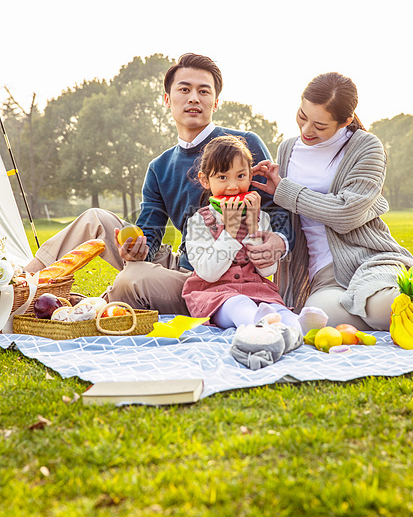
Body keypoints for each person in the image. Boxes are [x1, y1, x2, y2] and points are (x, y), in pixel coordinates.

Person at [25, 53, 294, 315]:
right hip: (184, 262)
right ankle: (21, 285)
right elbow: (150, 229)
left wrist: (278, 242)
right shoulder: (160, 166)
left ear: (216, 102)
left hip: (214, 278)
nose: (193, 98)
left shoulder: (244, 146)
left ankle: (90, 306)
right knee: (95, 218)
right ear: (167, 99)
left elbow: (279, 210)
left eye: (203, 91)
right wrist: (136, 248)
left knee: (132, 280)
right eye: (184, 89)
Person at [252, 71, 413, 331]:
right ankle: (378, 316)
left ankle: (379, 308)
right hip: (323, 275)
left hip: (368, 258)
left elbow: (347, 213)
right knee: (316, 320)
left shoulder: (366, 147)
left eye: (320, 125)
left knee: (384, 306)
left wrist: (285, 190)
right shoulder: (288, 149)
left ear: (345, 121)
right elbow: (285, 217)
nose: (306, 130)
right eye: (303, 116)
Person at [182, 135, 302, 331]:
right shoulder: (199, 222)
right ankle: (259, 326)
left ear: (250, 176)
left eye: (240, 176)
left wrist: (253, 227)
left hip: (258, 292)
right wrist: (230, 232)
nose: (233, 186)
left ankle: (300, 327)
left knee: (277, 310)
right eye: (222, 177)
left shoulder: (260, 217)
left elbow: (267, 271)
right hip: (216, 296)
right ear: (205, 180)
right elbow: (208, 273)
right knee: (239, 304)